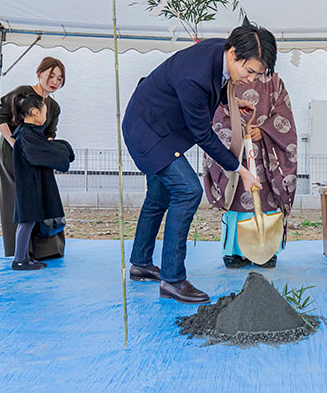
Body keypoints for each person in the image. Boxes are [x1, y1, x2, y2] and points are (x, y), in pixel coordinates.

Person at [122, 18, 276, 304]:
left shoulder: (219, 53)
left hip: (158, 123)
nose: (251, 80)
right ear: (233, 54)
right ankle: (173, 279)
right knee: (187, 190)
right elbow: (202, 134)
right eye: (250, 72)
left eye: (258, 75)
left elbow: (209, 88)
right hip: (149, 130)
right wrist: (239, 169)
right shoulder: (194, 74)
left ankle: (140, 263)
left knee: (158, 195)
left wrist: (226, 101)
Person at [203, 73, 297, 268]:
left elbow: (283, 115)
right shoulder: (228, 78)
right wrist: (238, 131)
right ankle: (233, 251)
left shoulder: (275, 82)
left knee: (267, 199)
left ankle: (268, 250)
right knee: (235, 199)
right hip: (235, 152)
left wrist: (264, 131)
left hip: (265, 154)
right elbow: (217, 111)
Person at [0, 57, 66, 260]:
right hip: (12, 151)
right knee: (20, 200)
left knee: (42, 196)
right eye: (51, 75)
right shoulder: (23, 92)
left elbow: (50, 132)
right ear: (39, 73)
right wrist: (14, 142)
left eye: (60, 78)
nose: (55, 81)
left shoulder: (54, 106)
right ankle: (22, 253)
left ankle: (45, 249)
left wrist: (45, 152)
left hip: (36, 155)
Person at [9, 93, 74, 270]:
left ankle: (23, 257)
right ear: (35, 112)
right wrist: (65, 150)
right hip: (29, 186)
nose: (46, 116)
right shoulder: (27, 136)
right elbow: (43, 153)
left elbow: (46, 148)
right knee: (26, 222)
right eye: (44, 112)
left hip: (31, 185)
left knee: (28, 221)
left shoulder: (28, 133)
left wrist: (62, 148)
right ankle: (19, 260)